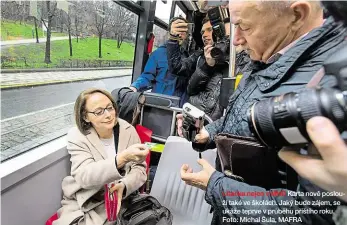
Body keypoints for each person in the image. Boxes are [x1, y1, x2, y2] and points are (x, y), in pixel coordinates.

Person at [179, 1, 347, 224]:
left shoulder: (334, 86)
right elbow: (244, 117)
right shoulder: (265, 56)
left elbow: (310, 215)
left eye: (245, 27)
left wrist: (215, 185)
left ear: (297, 15)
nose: (236, 40)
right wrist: (208, 133)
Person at [54, 88, 149, 225]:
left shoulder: (128, 130)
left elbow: (139, 170)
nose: (108, 115)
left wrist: (124, 186)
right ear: (85, 116)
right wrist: (121, 159)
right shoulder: (77, 136)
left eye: (110, 108)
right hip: (87, 197)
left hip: (121, 197)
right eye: (99, 112)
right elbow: (84, 176)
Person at [167, 16, 230, 120]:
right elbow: (177, 67)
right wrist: (173, 39)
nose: (204, 35)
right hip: (195, 117)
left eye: (209, 30)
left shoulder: (236, 58)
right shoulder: (200, 55)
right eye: (202, 32)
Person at [130, 17, 190, 105]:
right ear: (170, 33)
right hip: (161, 103)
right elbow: (147, 76)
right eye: (177, 31)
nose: (179, 35)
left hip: (181, 105)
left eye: (183, 32)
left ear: (187, 35)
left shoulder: (188, 56)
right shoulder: (158, 54)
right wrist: (135, 86)